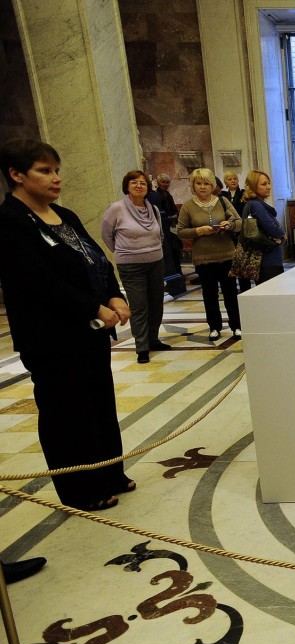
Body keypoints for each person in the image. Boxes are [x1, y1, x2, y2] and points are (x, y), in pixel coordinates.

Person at [0, 138, 134, 511]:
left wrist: (114, 296)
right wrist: (93, 306)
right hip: (51, 337)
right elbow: (39, 281)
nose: (56, 178)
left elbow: (97, 259)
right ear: (17, 175)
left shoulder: (65, 215)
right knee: (66, 413)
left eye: (57, 170)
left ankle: (109, 472)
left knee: (99, 404)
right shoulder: (9, 222)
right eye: (45, 171)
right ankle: (80, 489)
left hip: (89, 332)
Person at [101, 170, 171, 364]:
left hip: (156, 262)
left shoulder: (153, 209)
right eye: (134, 182)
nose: (139, 186)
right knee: (139, 306)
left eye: (143, 183)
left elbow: (160, 234)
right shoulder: (116, 208)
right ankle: (142, 347)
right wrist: (124, 251)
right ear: (127, 186)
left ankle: (153, 339)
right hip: (131, 266)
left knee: (156, 303)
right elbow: (106, 235)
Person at [175, 168, 242, 340]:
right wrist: (198, 231)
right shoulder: (188, 206)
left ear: (212, 185)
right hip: (203, 257)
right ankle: (214, 327)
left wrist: (229, 225)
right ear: (193, 186)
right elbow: (180, 231)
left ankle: (236, 325)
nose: (202, 187)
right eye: (198, 183)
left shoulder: (223, 201)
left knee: (230, 292)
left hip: (226, 254)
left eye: (206, 183)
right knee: (209, 294)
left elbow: (239, 222)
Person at [231, 170, 286, 284]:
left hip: (265, 259)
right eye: (264, 184)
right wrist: (281, 234)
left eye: (269, 183)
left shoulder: (252, 204)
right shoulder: (256, 205)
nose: (268, 187)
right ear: (253, 186)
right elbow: (275, 230)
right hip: (267, 260)